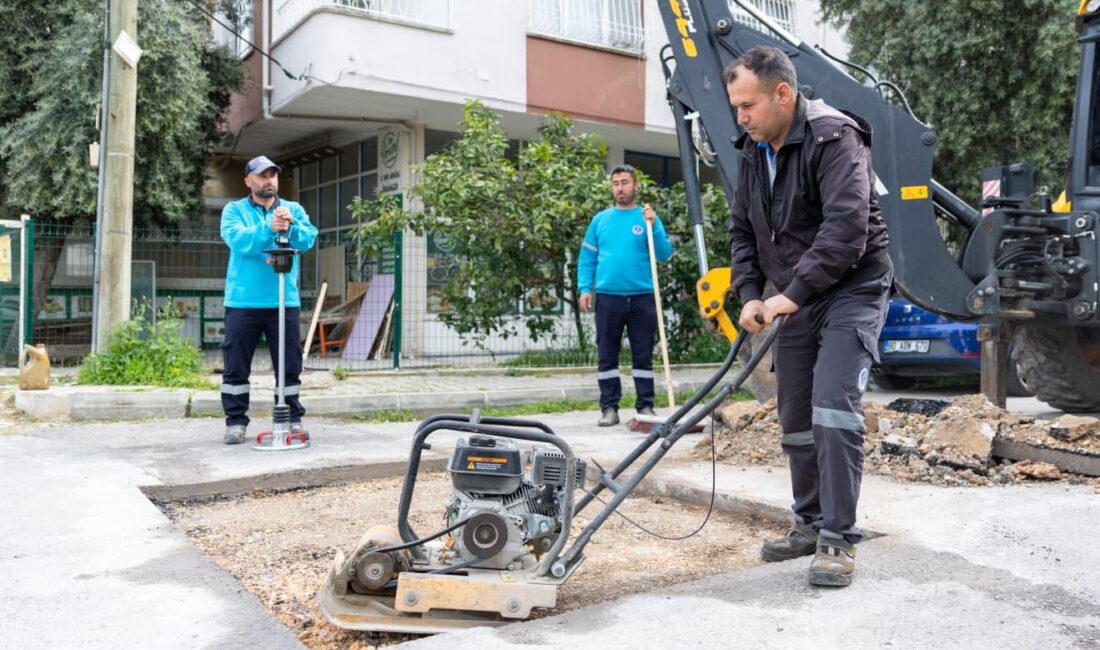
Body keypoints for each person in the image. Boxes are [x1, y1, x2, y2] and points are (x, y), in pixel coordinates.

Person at [725, 46, 892, 586]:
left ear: (783, 93)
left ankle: (839, 540)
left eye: (747, 105)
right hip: (796, 294)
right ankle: (810, 523)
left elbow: (846, 230)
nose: (741, 117)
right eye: (735, 107)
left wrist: (788, 294)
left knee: (833, 408)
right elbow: (742, 232)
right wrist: (751, 291)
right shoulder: (752, 151)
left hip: (852, 288)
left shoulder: (834, 137)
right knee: (795, 415)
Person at [219, 155, 319, 444]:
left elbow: (308, 239)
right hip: (243, 301)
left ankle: (292, 418)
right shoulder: (233, 210)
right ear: (248, 181)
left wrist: (291, 227)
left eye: (273, 175)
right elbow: (238, 241)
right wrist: (268, 228)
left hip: (283, 301)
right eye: (262, 176)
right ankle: (236, 422)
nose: (269, 180)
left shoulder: (293, 209)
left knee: (289, 364)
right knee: (236, 363)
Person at [577, 164, 673, 427]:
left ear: (635, 186)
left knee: (643, 354)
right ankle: (609, 408)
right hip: (608, 297)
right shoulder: (600, 220)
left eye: (625, 183)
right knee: (607, 354)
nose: (620, 188)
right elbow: (587, 257)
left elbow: (664, 254)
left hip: (643, 296)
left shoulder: (647, 218)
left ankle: (646, 406)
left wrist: (653, 227)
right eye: (616, 183)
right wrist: (585, 288)